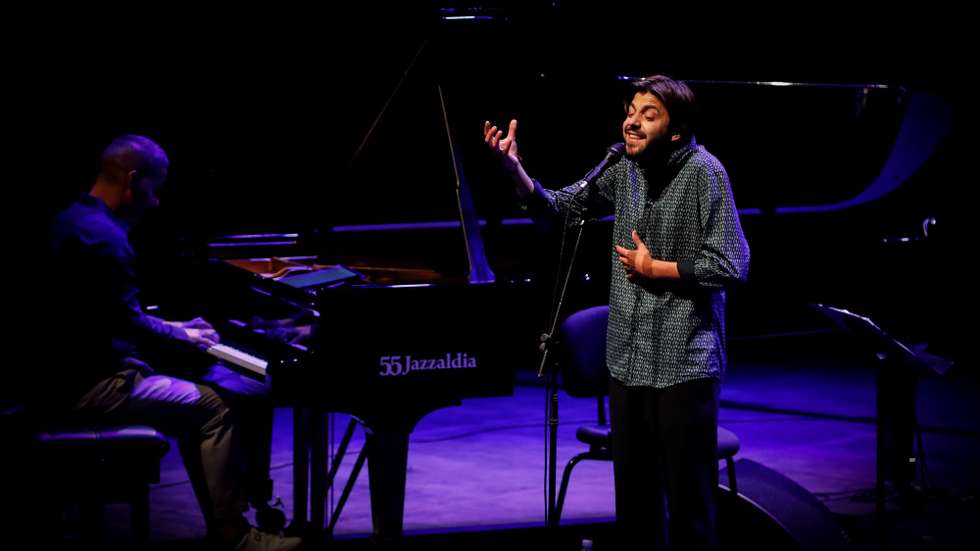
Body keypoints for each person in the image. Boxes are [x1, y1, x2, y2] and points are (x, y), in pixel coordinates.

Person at [484, 75, 749, 550]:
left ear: (675, 130)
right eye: (631, 110)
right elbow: (561, 210)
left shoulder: (704, 172)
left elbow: (731, 263)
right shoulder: (621, 166)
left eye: (649, 114)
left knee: (689, 509)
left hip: (683, 363)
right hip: (627, 361)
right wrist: (515, 170)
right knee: (636, 507)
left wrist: (657, 268)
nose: (632, 120)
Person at [46, 134, 301, 551]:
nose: (156, 202)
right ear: (133, 179)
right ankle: (234, 536)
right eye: (155, 188)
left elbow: (108, 311)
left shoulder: (74, 219)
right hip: (86, 387)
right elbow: (126, 323)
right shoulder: (106, 240)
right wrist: (182, 334)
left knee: (197, 399)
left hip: (63, 374)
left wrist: (174, 325)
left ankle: (228, 521)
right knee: (215, 408)